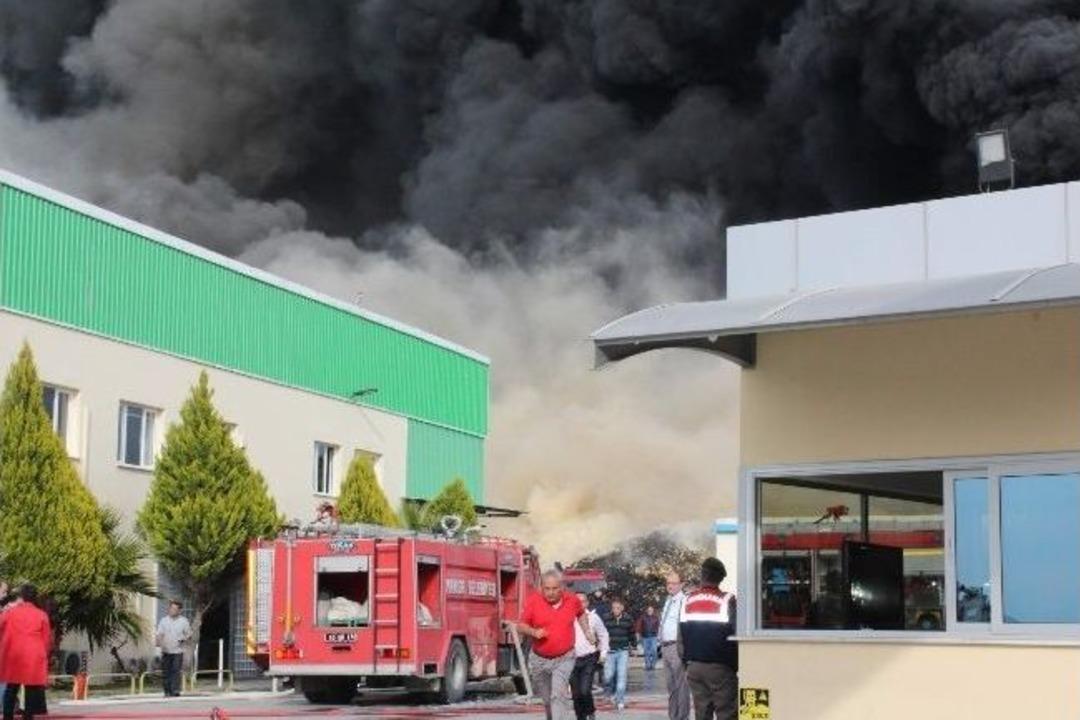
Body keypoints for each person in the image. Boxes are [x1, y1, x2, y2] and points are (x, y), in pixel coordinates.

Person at [518, 570, 596, 720]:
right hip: (539, 659)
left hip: (564, 657)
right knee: (547, 699)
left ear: (562, 588)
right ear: (542, 587)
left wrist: (587, 631)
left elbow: (581, 614)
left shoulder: (572, 600)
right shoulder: (534, 601)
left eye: (554, 589)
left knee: (558, 695)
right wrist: (534, 632)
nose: (550, 593)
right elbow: (520, 626)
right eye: (547, 588)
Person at [678, 558, 738, 720]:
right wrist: (735, 665)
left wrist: (687, 663)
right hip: (721, 668)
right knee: (727, 712)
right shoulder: (727, 600)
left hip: (694, 667)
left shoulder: (687, 600)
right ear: (720, 578)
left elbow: (680, 638)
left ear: (702, 576)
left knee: (702, 713)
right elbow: (736, 634)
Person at [0, 584, 51, 720]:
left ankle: (7, 717)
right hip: (33, 656)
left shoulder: (9, 613)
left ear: (21, 597)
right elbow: (46, 640)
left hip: (13, 654)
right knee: (31, 690)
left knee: (11, 688)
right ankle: (28, 717)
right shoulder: (41, 615)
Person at [571, 593, 608, 720]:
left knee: (585, 690)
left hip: (589, 658)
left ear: (587, 603)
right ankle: (580, 717)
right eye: (577, 601)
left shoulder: (593, 617)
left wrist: (603, 653)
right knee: (576, 693)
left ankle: (590, 711)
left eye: (582, 601)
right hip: (571, 659)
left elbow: (603, 635)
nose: (579, 604)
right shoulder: (568, 617)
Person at [660, 571, 691, 720]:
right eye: (668, 583)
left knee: (681, 687)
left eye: (673, 583)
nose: (670, 586)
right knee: (671, 687)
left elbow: (686, 626)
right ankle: (673, 717)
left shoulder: (684, 601)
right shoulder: (668, 600)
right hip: (665, 647)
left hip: (676, 647)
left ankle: (682, 717)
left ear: (681, 584)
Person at [601, 597, 636, 712]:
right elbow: (601, 633)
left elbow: (632, 633)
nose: (615, 610)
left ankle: (620, 700)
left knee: (622, 676)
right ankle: (608, 693)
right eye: (614, 607)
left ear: (622, 608)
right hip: (609, 651)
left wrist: (634, 646)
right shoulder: (606, 618)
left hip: (623, 651)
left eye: (618, 607)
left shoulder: (628, 619)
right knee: (608, 676)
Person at [156, 600, 192, 697]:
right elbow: (159, 633)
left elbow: (189, 635)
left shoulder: (184, 621)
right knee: (166, 671)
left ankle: (175, 690)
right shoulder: (164, 620)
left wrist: (184, 639)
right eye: (171, 608)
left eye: (174, 609)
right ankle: (167, 691)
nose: (172, 610)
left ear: (179, 611)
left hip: (178, 650)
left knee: (176, 670)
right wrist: (158, 642)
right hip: (166, 650)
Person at [635, 605, 661, 671]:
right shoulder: (643, 617)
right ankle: (648, 665)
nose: (650, 611)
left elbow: (659, 627)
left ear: (653, 611)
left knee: (654, 651)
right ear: (647, 611)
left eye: (651, 610)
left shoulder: (656, 618)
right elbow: (639, 626)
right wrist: (638, 634)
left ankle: (653, 665)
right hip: (645, 637)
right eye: (649, 610)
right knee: (647, 652)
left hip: (653, 637)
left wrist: (659, 636)